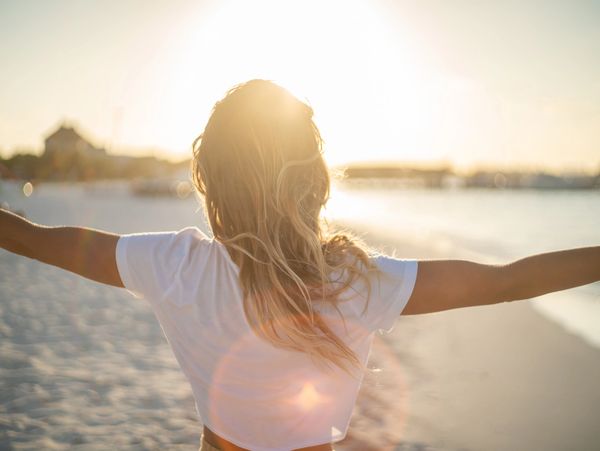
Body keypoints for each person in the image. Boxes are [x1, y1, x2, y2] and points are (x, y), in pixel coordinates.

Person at [0, 79, 598, 451]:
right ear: (314, 181)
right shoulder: (358, 284)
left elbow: (29, 238)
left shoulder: (173, 264)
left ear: (210, 183)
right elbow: (507, 281)